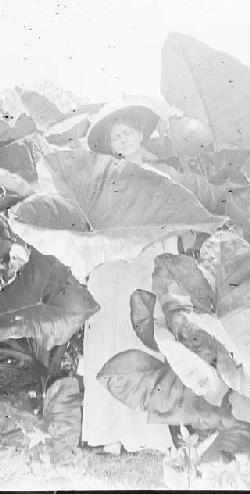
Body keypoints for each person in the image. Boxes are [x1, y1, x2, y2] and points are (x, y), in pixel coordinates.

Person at [81, 104, 177, 455]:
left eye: (127, 132)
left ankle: (144, 432)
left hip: (144, 263)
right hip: (109, 265)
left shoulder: (160, 176)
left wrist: (167, 265)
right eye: (115, 135)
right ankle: (107, 431)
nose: (122, 139)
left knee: (141, 338)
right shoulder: (103, 178)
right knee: (106, 337)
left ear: (141, 134)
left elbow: (172, 221)